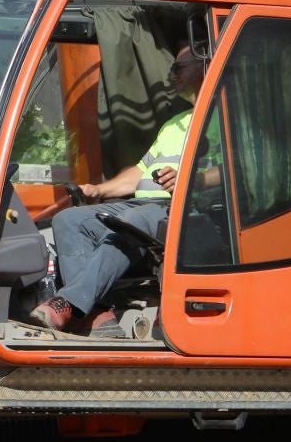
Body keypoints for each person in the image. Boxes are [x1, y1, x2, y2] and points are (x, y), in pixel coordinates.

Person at [29, 45, 209, 337]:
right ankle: (98, 315)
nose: (172, 75)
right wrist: (99, 190)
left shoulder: (221, 119)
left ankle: (69, 303)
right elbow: (137, 175)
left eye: (179, 68)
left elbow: (235, 174)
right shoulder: (174, 125)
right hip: (143, 207)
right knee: (69, 220)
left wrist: (191, 179)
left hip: (188, 211)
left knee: (131, 224)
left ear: (205, 67)